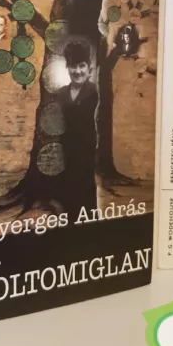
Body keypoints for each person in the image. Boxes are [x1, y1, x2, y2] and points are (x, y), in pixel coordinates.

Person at [55, 41, 98, 216]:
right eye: (73, 66)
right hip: (65, 153)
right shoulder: (60, 94)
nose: (78, 71)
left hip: (87, 154)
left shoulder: (95, 92)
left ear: (89, 68)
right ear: (67, 67)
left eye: (82, 66)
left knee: (86, 197)